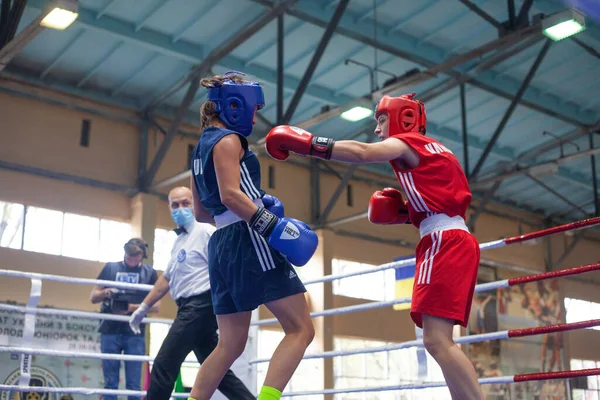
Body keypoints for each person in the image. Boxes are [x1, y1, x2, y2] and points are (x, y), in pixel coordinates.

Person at [264, 92, 484, 399]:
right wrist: (406, 214)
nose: (378, 130)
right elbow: (446, 201)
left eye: (381, 120)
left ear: (402, 118)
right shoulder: (440, 151)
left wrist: (307, 144)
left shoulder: (409, 142)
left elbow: (362, 152)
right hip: (455, 238)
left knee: (436, 341)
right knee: (438, 340)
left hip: (443, 242)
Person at [186, 71, 318, 400]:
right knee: (301, 328)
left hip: (221, 244)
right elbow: (232, 195)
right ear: (234, 105)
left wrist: (256, 202)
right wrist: (271, 223)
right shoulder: (229, 140)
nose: (255, 116)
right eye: (253, 109)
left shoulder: (200, 149)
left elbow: (202, 213)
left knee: (229, 344)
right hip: (249, 236)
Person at [128, 186, 255, 399]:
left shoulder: (205, 231)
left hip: (201, 305)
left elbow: (226, 266)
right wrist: (143, 307)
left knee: (164, 362)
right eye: (175, 205)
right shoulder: (178, 241)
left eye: (185, 203)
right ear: (169, 208)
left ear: (195, 204)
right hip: (189, 308)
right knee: (219, 372)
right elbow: (166, 278)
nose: (180, 208)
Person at [90, 238, 159, 400]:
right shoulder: (111, 267)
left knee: (134, 384)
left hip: (135, 331)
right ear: (124, 253)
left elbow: (156, 306)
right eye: (129, 258)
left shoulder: (149, 272)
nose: (131, 261)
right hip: (109, 329)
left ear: (143, 255)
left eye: (135, 258)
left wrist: (131, 308)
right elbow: (93, 296)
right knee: (110, 382)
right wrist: (107, 292)